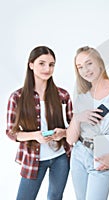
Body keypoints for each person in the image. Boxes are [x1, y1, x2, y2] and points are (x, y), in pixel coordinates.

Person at [6, 46, 73, 200]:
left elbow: (74, 127)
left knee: (55, 197)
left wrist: (63, 133)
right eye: (42, 63)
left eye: (51, 64)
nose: (47, 69)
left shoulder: (62, 95)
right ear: (31, 65)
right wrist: (35, 136)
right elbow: (11, 132)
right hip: (33, 158)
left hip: (61, 157)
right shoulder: (17, 97)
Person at [66, 46, 109, 200]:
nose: (85, 70)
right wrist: (78, 117)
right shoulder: (81, 94)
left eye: (89, 63)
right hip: (79, 153)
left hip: (101, 153)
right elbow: (70, 139)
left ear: (99, 62)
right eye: (80, 67)